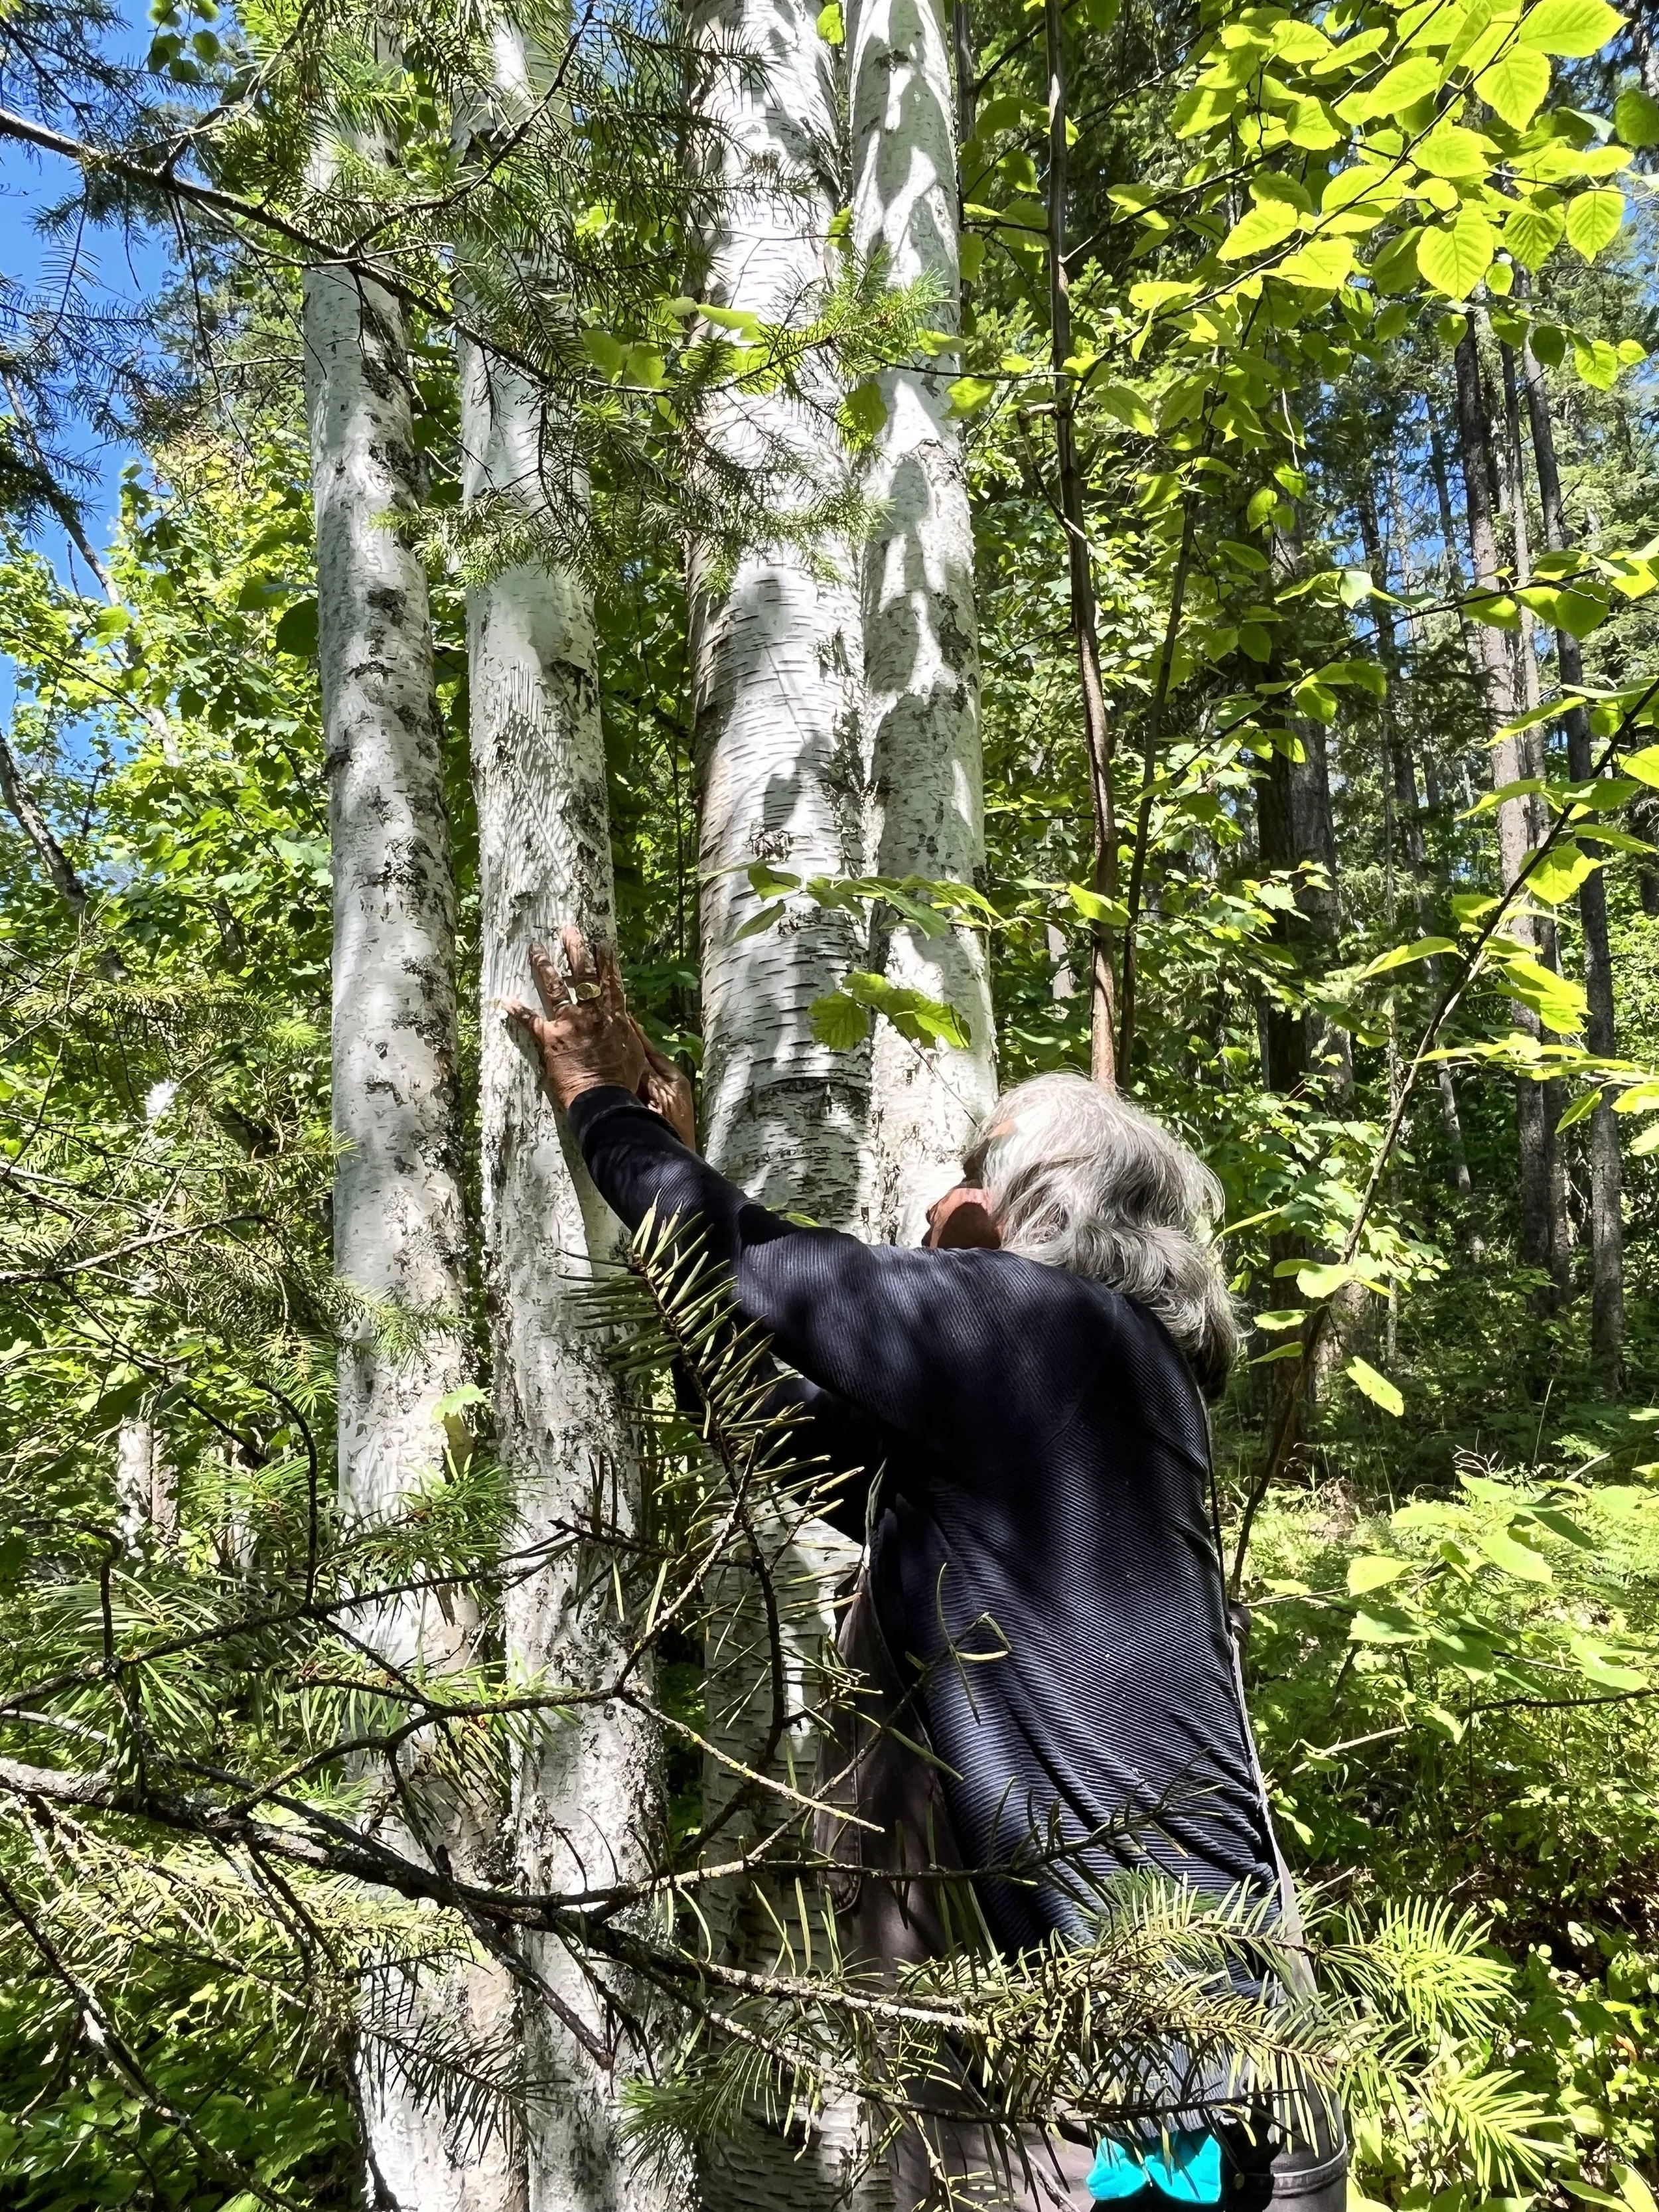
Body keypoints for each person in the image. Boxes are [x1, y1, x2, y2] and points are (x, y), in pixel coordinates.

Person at [506, 930, 1347, 2212]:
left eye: (966, 1170)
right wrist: (663, 1153)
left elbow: (757, 1259)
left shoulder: (1054, 1332)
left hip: (1183, 2094)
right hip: (1170, 2061)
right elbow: (750, 1406)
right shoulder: (1035, 1428)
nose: (931, 1199)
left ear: (1039, 1205)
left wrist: (597, 1103)